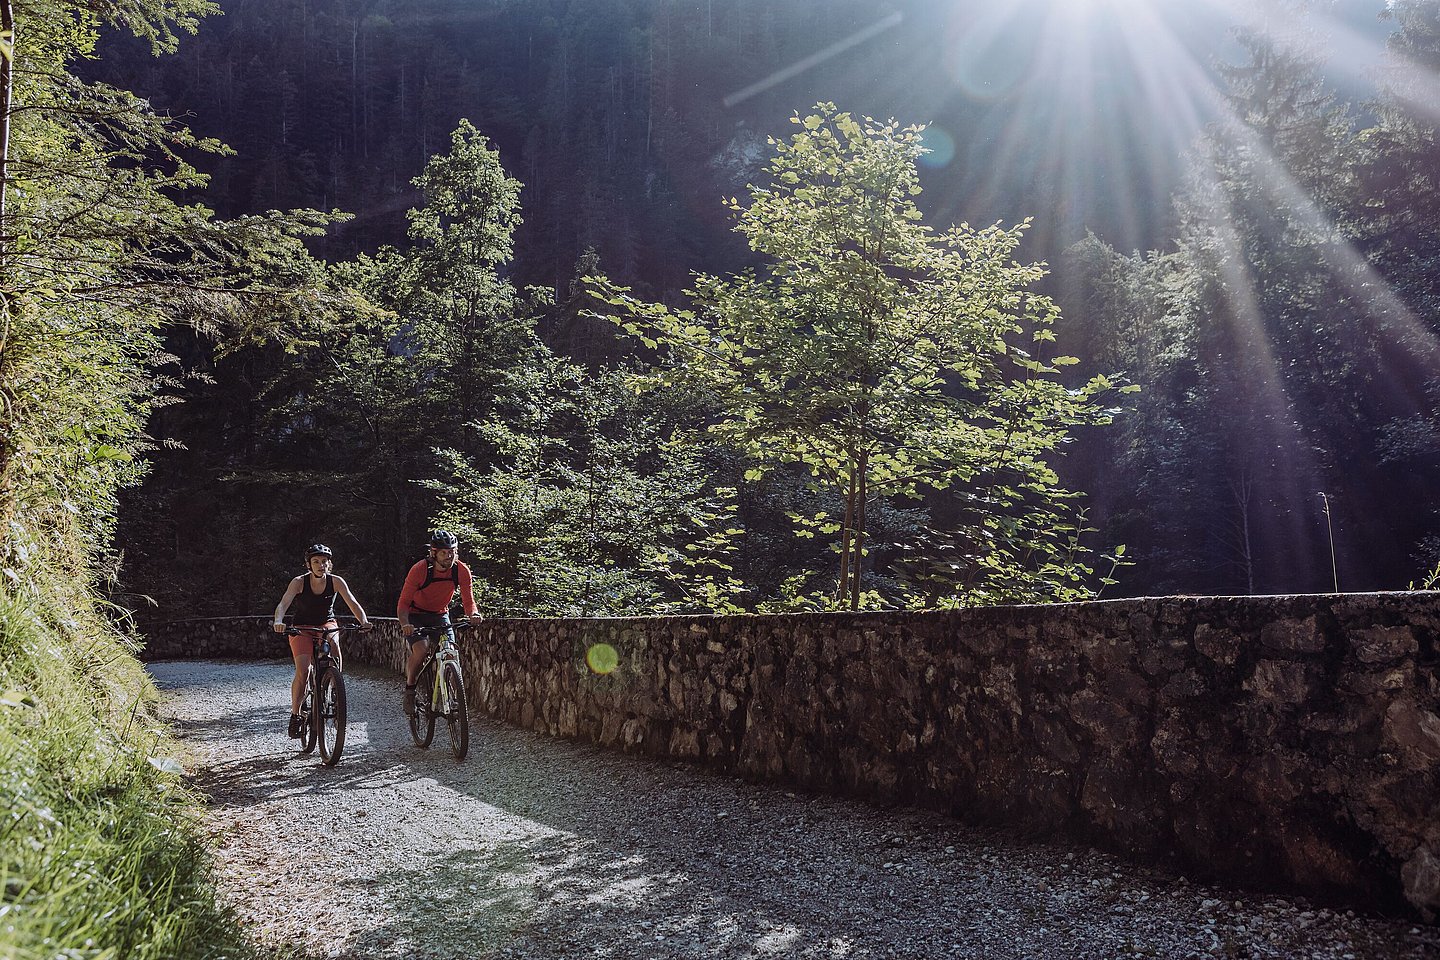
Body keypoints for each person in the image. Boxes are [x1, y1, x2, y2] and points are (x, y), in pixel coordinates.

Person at [272, 543, 372, 738]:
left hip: (326, 623)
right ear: (308, 565)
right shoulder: (299, 582)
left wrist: (364, 621)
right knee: (304, 670)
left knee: (334, 644)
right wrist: (278, 621)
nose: (321, 565)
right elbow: (283, 603)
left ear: (329, 564)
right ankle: (296, 714)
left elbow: (352, 602)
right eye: (316, 562)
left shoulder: (336, 582)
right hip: (301, 627)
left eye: (324, 562)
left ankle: (336, 685)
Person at [398, 529, 483, 716]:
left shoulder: (461, 570)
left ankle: (453, 698)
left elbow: (469, 601)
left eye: (452, 551)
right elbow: (403, 604)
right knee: (421, 649)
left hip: (440, 615)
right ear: (434, 553)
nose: (449, 555)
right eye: (444, 552)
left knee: (451, 652)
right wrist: (405, 624)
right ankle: (410, 691)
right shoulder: (420, 569)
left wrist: (473, 614)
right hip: (415, 615)